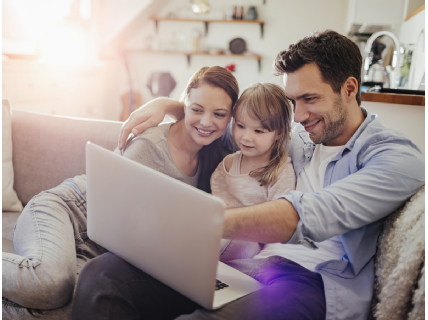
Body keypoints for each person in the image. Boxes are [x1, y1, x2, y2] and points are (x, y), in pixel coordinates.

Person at [73, 30, 424, 320]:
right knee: (102, 275)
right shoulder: (297, 135)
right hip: (252, 266)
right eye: (293, 102)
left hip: (314, 284)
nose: (299, 115)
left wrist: (199, 222)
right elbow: (220, 124)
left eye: (310, 99)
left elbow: (310, 213)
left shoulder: (395, 157)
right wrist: (170, 105)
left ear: (349, 89)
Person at [2, 66, 239, 314]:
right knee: (51, 283)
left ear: (231, 117)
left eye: (219, 114)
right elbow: (117, 221)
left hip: (99, 246)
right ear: (184, 105)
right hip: (68, 211)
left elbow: (258, 133)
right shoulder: (149, 146)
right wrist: (166, 104)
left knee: (73, 304)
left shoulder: (217, 154)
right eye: (196, 109)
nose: (206, 122)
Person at [213, 82, 295, 261]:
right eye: (241, 126)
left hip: (252, 246)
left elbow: (279, 223)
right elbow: (215, 204)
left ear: (279, 133)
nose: (246, 137)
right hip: (219, 236)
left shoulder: (282, 172)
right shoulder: (228, 164)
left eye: (258, 131)